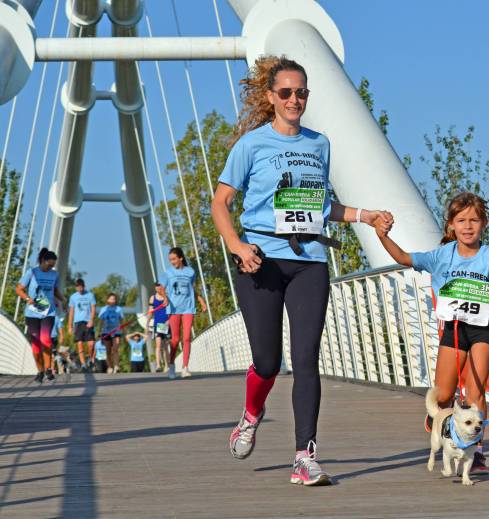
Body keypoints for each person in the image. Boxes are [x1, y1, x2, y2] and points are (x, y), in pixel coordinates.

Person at [211, 56, 392, 486]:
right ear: (271, 97)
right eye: (287, 92)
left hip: (310, 260)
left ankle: (304, 457)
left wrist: (366, 215)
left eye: (302, 92)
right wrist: (237, 246)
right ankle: (252, 413)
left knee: (307, 359)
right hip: (262, 260)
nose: (295, 99)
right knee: (268, 362)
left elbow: (321, 205)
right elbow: (220, 203)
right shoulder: (251, 145)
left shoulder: (319, 144)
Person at [377, 192, 489, 476]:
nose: (468, 227)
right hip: (453, 330)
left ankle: (477, 452)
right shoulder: (443, 255)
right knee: (442, 395)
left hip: (482, 329)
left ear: (483, 224)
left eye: (474, 221)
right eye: (461, 220)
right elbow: (404, 257)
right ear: (451, 225)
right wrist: (382, 235)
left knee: (476, 391)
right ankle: (439, 418)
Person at [15, 248, 66, 383]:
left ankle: (49, 369)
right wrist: (27, 298)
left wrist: (63, 300)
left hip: (48, 312)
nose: (51, 268)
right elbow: (19, 289)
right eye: (49, 265)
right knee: (36, 343)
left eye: (53, 266)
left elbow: (55, 290)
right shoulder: (31, 272)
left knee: (46, 340)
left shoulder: (54, 274)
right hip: (32, 312)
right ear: (43, 261)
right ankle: (40, 371)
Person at [159, 247, 207, 379]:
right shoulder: (167, 273)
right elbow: (161, 288)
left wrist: (201, 301)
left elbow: (192, 289)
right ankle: (171, 365)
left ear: (181, 258)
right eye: (170, 260)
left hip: (188, 308)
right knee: (175, 339)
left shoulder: (190, 272)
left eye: (174, 259)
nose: (172, 262)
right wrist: (165, 298)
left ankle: (185, 367)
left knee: (186, 338)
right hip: (174, 309)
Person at [68, 278, 97, 371]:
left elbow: (93, 309)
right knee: (79, 343)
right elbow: (71, 312)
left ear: (84, 286)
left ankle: (90, 359)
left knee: (91, 344)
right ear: (76, 287)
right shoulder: (73, 297)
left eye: (81, 287)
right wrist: (70, 326)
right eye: (78, 287)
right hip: (78, 322)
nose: (80, 289)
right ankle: (83, 364)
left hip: (88, 321)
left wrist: (91, 320)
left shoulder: (90, 295)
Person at [98, 293, 125, 374]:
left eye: (114, 299)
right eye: (111, 299)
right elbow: (101, 321)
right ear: (107, 300)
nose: (113, 300)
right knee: (108, 351)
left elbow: (122, 320)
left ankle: (117, 366)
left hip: (116, 332)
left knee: (116, 349)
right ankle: (110, 367)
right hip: (106, 332)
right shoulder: (103, 309)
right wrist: (99, 331)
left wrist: (123, 330)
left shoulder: (119, 309)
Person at [146, 282, 170, 372]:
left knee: (166, 346)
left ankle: (167, 365)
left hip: (165, 323)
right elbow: (150, 311)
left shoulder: (166, 297)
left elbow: (170, 307)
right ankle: (158, 365)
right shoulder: (152, 298)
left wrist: (169, 320)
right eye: (156, 287)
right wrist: (147, 322)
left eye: (159, 287)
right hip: (157, 323)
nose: (158, 289)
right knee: (158, 345)